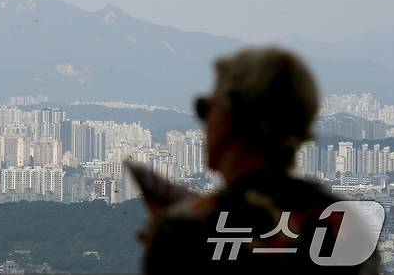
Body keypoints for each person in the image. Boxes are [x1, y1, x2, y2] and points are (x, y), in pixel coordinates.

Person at [127, 47, 380, 275]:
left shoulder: (187, 231)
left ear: (229, 117)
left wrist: (167, 239)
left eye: (206, 108)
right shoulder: (346, 227)